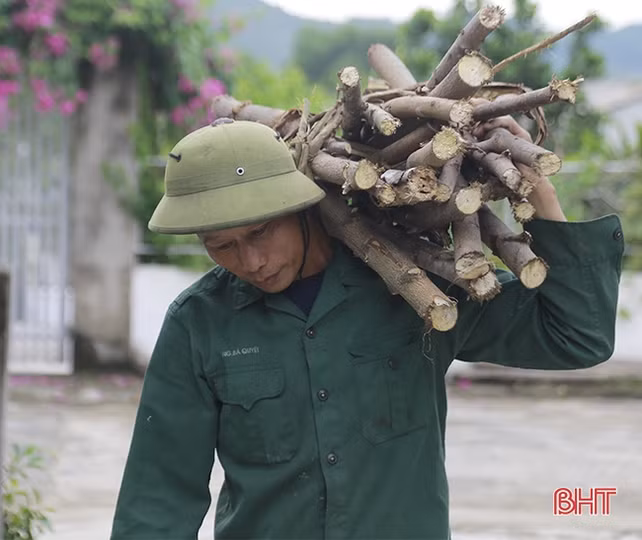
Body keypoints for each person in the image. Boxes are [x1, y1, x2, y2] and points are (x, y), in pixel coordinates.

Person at [110, 118, 624, 539]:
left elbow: (576, 336)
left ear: (300, 206)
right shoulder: (199, 324)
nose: (252, 260)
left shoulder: (415, 287)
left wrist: (538, 186)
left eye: (261, 232)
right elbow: (157, 502)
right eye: (221, 245)